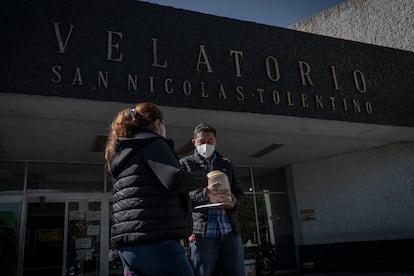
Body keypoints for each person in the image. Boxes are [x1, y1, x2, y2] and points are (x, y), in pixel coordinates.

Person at [105, 102, 208, 276]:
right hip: (156, 241)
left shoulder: (122, 151)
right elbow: (174, 180)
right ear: (158, 123)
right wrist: (205, 178)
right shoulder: (152, 141)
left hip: (128, 247)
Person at [179, 123, 245, 276]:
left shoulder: (226, 164)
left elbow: (240, 194)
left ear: (216, 142)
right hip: (202, 234)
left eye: (210, 141)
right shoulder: (186, 164)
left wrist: (235, 202)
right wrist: (205, 194)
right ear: (194, 142)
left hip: (230, 231)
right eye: (202, 141)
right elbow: (181, 198)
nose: (206, 145)